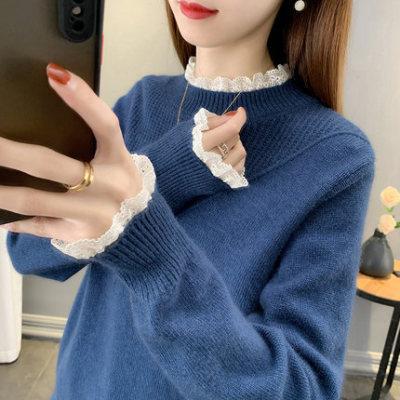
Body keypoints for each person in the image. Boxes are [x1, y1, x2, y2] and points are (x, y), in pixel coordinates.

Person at [2, 0, 375, 399]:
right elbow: (27, 252)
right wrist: (162, 172)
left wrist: (147, 248)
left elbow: (303, 389)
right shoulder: (142, 102)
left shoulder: (336, 157)